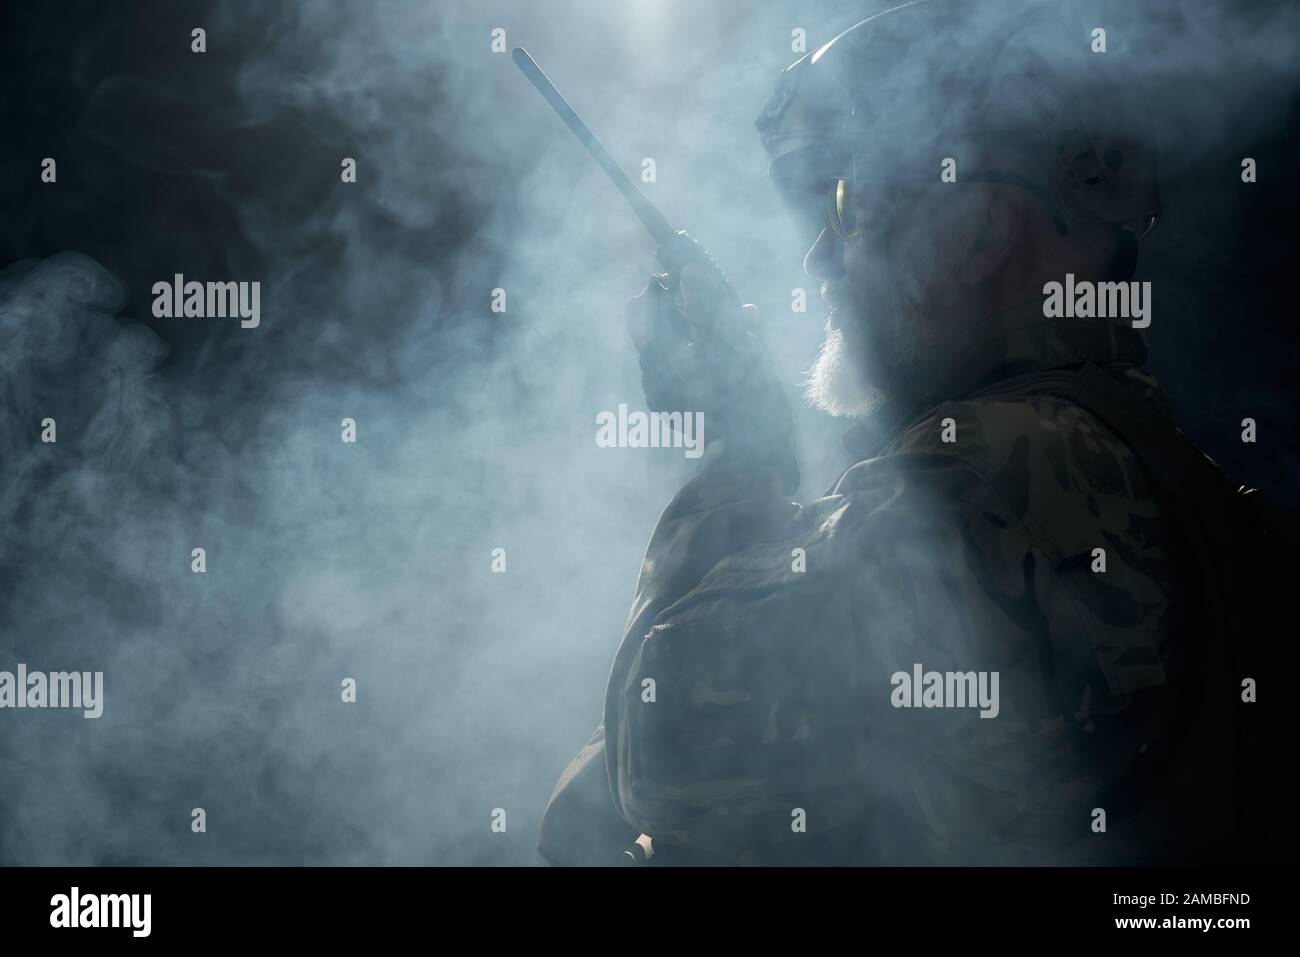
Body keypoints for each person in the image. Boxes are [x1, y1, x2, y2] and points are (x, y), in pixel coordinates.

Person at [538, 0, 1252, 865]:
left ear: (986, 228)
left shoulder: (1005, 474)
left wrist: (736, 448)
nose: (819, 257)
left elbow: (647, 742)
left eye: (849, 203)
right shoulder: (1129, 460)